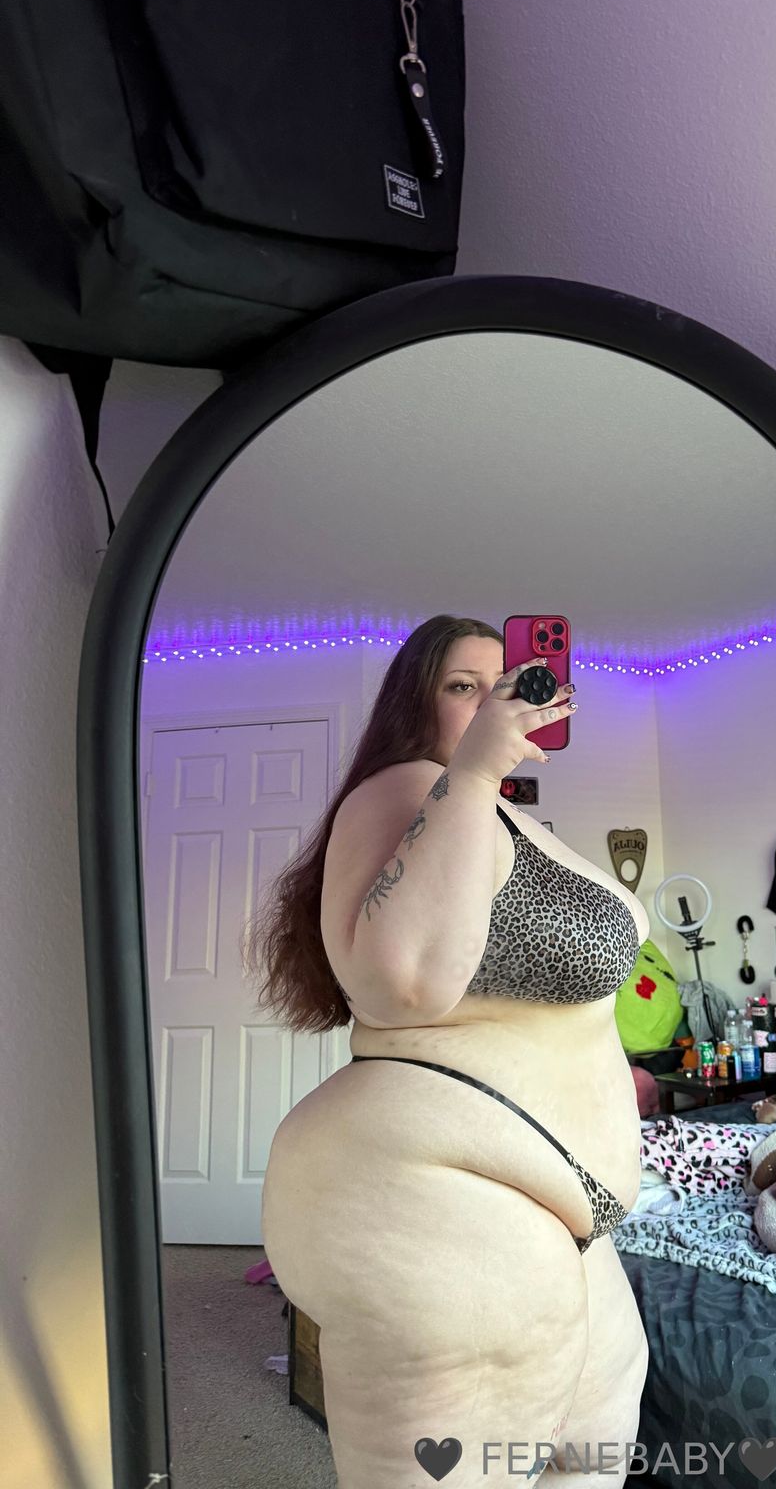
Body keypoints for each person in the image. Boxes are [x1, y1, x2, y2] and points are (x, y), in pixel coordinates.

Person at [250, 615, 651, 1488]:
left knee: (593, 1451)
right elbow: (399, 981)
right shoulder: (406, 789)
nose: (495, 701)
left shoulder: (501, 813)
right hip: (439, 1199)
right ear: (415, 704)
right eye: (465, 687)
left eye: (511, 683)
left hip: (548, 1210)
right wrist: (473, 770)